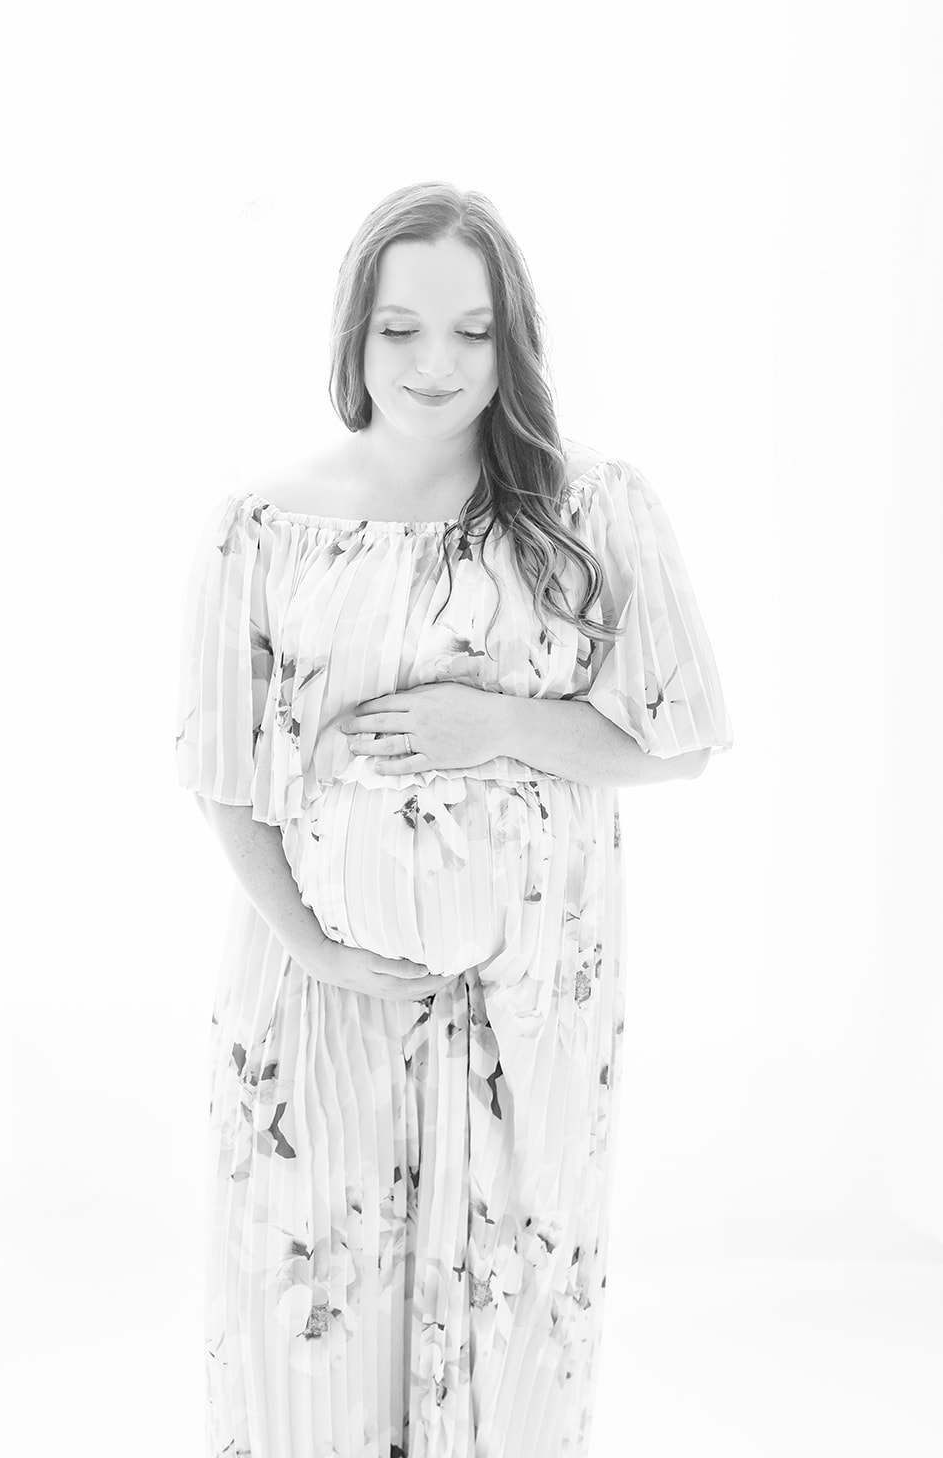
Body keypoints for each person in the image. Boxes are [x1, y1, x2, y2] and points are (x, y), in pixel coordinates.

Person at [174, 181, 734, 1457]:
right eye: (401, 328)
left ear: (513, 341)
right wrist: (311, 946)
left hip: (526, 1004)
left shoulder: (590, 510)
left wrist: (499, 726)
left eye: (473, 332)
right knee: (303, 1333)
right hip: (319, 996)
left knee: (514, 1346)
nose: (436, 364)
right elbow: (222, 769)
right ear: (352, 337)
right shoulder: (262, 528)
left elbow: (681, 734)